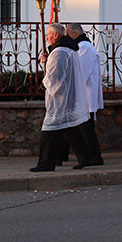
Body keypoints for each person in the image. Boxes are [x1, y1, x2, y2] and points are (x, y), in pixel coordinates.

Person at [31, 24, 93, 172]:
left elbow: (55, 77)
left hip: (60, 98)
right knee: (70, 127)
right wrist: (46, 62)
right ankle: (85, 157)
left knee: (49, 131)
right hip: (68, 96)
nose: (46, 38)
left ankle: (46, 163)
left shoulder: (59, 52)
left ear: (56, 35)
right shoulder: (68, 50)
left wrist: (44, 84)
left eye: (48, 34)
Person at [66, 23, 104, 165]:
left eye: (68, 35)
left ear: (75, 34)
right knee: (83, 127)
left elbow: (81, 71)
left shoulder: (85, 47)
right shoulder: (81, 46)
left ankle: (95, 156)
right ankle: (89, 155)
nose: (67, 38)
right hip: (82, 94)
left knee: (86, 128)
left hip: (86, 94)